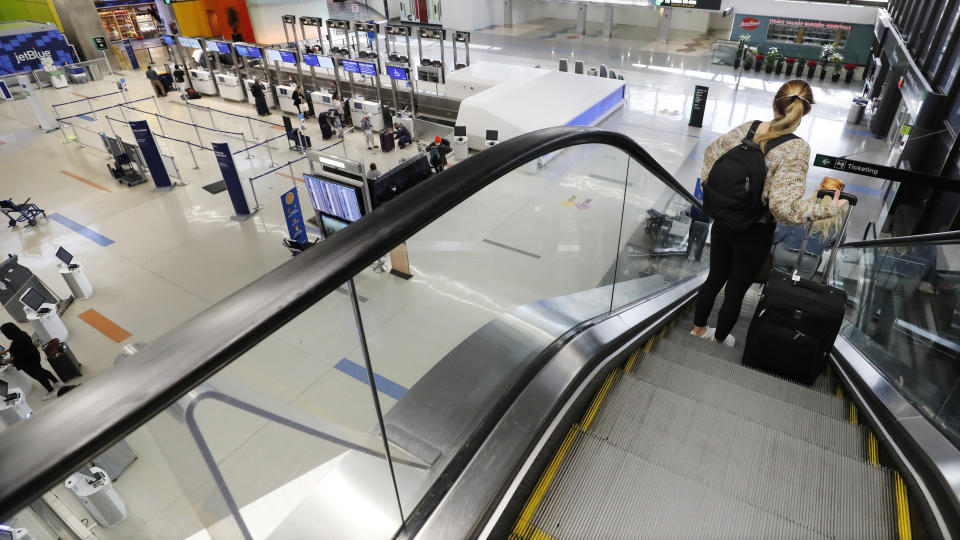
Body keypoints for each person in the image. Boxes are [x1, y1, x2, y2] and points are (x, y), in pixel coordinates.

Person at [690, 80, 848, 347]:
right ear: (805, 112)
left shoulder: (749, 128)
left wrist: (713, 191)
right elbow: (783, 209)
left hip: (724, 221)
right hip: (754, 230)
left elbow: (711, 155)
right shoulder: (796, 149)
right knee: (736, 290)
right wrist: (830, 208)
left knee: (714, 277)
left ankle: (697, 330)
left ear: (774, 103)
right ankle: (718, 340)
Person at [769, 186, 849, 277]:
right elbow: (838, 242)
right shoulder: (839, 219)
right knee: (797, 284)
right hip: (809, 259)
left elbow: (781, 230)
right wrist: (822, 245)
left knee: (777, 278)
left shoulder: (804, 206)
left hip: (784, 253)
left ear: (817, 190)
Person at [0, 323, 60, 400]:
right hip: (34, 357)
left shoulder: (16, 341)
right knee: (41, 370)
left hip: (28, 361)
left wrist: (8, 360)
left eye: (4, 333)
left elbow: (22, 355)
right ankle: (56, 382)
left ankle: (51, 391)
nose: (4, 335)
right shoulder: (22, 334)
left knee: (38, 375)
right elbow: (17, 347)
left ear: (9, 333)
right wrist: (4, 352)